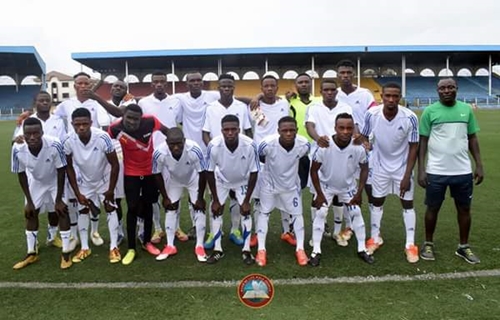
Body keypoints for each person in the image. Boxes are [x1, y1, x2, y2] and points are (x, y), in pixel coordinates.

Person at [418, 78, 484, 264]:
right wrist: (421, 169)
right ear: (437, 91)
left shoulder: (466, 109)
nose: (446, 90)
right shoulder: (429, 111)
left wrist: (478, 164)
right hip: (436, 170)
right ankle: (428, 243)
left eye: (450, 87)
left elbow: (472, 138)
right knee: (432, 208)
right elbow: (422, 141)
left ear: (457, 89)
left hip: (462, 171)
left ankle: (463, 247)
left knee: (464, 209)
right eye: (442, 88)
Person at [362, 82, 419, 263]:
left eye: (395, 96)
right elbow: (364, 136)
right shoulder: (372, 114)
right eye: (388, 96)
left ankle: (410, 244)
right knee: (377, 201)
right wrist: (366, 144)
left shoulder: (410, 117)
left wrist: (407, 175)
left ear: (400, 97)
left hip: (402, 167)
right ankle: (375, 237)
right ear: (382, 96)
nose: (391, 99)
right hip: (379, 167)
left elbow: (414, 146)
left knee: (407, 203)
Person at [108, 104, 170, 265]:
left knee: (149, 206)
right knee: (133, 208)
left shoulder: (150, 122)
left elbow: (167, 131)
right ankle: (131, 248)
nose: (132, 122)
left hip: (151, 172)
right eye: (129, 118)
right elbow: (105, 144)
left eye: (136, 119)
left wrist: (175, 146)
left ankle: (147, 242)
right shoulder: (115, 129)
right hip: (130, 173)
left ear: (141, 118)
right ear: (123, 116)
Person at [309, 113, 374, 266]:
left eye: (349, 128)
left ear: (353, 129)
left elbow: (365, 169)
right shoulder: (325, 146)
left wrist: (359, 193)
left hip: (348, 187)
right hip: (327, 187)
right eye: (341, 128)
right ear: (335, 128)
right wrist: (319, 194)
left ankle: (362, 249)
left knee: (356, 213)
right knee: (321, 213)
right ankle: (316, 251)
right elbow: (313, 170)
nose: (345, 131)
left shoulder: (358, 147)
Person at [11, 117, 71, 269]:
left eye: (36, 133)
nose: (32, 137)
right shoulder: (17, 148)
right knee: (30, 213)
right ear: (22, 133)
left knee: (62, 211)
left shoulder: (54, 144)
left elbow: (61, 171)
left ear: (42, 132)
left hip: (55, 180)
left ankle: (66, 253)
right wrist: (29, 201)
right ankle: (31, 253)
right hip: (36, 181)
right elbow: (21, 175)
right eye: (28, 133)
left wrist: (58, 199)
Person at [54, 72, 105, 248]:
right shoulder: (66, 105)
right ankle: (75, 235)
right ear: (75, 86)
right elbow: (53, 119)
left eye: (86, 83)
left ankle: (94, 231)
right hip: (73, 154)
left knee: (94, 196)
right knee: (75, 198)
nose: (83, 86)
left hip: (93, 156)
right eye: (80, 83)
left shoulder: (97, 103)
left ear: (90, 85)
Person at [63, 108, 121, 264]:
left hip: (104, 178)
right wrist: (77, 192)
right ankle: (84, 247)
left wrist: (110, 189)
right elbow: (68, 167)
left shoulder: (103, 137)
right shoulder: (68, 140)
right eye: (77, 124)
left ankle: (113, 247)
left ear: (91, 123)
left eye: (84, 123)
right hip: (84, 181)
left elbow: (115, 165)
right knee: (83, 210)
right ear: (72, 124)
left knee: (110, 208)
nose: (81, 127)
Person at [202, 74, 253, 249]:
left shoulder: (241, 106)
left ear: (234, 88)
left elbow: (247, 131)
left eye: (229, 86)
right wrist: (215, 150)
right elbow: (205, 132)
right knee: (215, 199)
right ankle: (214, 233)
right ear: (218, 88)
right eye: (223, 86)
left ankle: (235, 230)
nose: (226, 89)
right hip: (219, 159)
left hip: (239, 159)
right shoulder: (210, 108)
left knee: (236, 197)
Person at [12, 91, 67, 249]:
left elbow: (62, 143)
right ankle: (32, 245)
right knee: (32, 209)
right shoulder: (28, 121)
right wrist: (17, 140)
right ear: (35, 102)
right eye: (41, 100)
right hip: (34, 171)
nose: (44, 103)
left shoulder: (58, 120)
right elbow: (17, 143)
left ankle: (52, 236)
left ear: (51, 102)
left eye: (47, 100)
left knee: (53, 208)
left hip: (53, 168)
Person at [256, 116, 310, 266]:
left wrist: (301, 180)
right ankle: (261, 249)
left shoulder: (304, 144)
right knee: (264, 214)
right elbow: (260, 158)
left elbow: (304, 160)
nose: (288, 133)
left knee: (297, 214)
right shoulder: (266, 144)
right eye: (284, 130)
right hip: (269, 186)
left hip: (291, 187)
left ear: (297, 131)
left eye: (291, 130)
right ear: (278, 131)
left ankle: (300, 249)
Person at [205, 115, 259, 264]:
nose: (230, 133)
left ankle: (246, 250)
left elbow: (254, 172)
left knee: (246, 212)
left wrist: (247, 200)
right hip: (221, 181)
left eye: (233, 129)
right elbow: (209, 172)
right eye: (226, 130)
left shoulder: (250, 145)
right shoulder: (214, 145)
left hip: (242, 182)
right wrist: (215, 200)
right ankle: (217, 249)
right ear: (221, 130)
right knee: (216, 211)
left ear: (239, 130)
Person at [138, 71, 184, 245]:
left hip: (173, 153)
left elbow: (178, 123)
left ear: (166, 83)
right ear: (151, 84)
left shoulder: (175, 102)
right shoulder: (143, 103)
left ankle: (176, 226)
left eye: (162, 81)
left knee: (175, 192)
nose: (159, 84)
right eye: (156, 82)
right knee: (154, 195)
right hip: (152, 155)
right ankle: (158, 228)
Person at [305, 79, 353, 245]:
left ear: (336, 91)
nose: (329, 93)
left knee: (339, 192)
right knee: (316, 194)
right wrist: (318, 139)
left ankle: (337, 232)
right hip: (320, 155)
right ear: (321, 91)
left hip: (341, 155)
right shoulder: (314, 108)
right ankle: (317, 230)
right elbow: (309, 126)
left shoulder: (345, 107)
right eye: (326, 90)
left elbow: (352, 127)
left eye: (332, 90)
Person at [250, 75, 296, 247]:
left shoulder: (284, 104)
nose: (269, 89)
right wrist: (256, 97)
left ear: (277, 88)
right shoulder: (254, 106)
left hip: (281, 156)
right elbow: (240, 98)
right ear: (261, 88)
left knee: (284, 195)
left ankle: (286, 231)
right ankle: (257, 233)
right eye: (266, 86)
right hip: (260, 158)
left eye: (272, 86)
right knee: (258, 198)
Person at [336, 59, 378, 242]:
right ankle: (349, 226)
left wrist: (367, 138)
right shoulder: (333, 95)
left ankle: (375, 230)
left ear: (353, 74)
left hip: (363, 147)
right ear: (337, 76)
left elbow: (375, 117)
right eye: (342, 73)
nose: (345, 76)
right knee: (346, 187)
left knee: (368, 188)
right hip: (343, 149)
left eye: (348, 73)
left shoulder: (365, 94)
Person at [152, 128, 208, 262]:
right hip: (174, 181)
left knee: (199, 208)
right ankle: (170, 245)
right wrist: (165, 197)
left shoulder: (194, 149)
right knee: (170, 208)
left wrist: (200, 198)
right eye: (172, 144)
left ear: (184, 141)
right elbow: (157, 174)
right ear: (166, 142)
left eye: (179, 143)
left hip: (193, 179)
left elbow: (203, 173)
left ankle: (199, 245)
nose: (176, 147)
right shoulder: (159, 152)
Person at [93, 80, 137, 246]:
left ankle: (139, 229)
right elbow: (108, 128)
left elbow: (124, 116)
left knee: (135, 195)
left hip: (131, 149)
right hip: (113, 150)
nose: (118, 88)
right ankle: (118, 231)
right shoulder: (102, 105)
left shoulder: (130, 101)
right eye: (115, 86)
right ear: (110, 90)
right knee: (116, 196)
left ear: (126, 90)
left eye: (122, 87)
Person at [286, 73, 321, 190]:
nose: (304, 84)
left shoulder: (319, 101)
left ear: (311, 84)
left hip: (317, 147)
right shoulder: (289, 102)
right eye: (300, 82)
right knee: (297, 185)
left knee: (317, 185)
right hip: (298, 148)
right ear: (295, 85)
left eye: (306, 82)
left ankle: (316, 208)